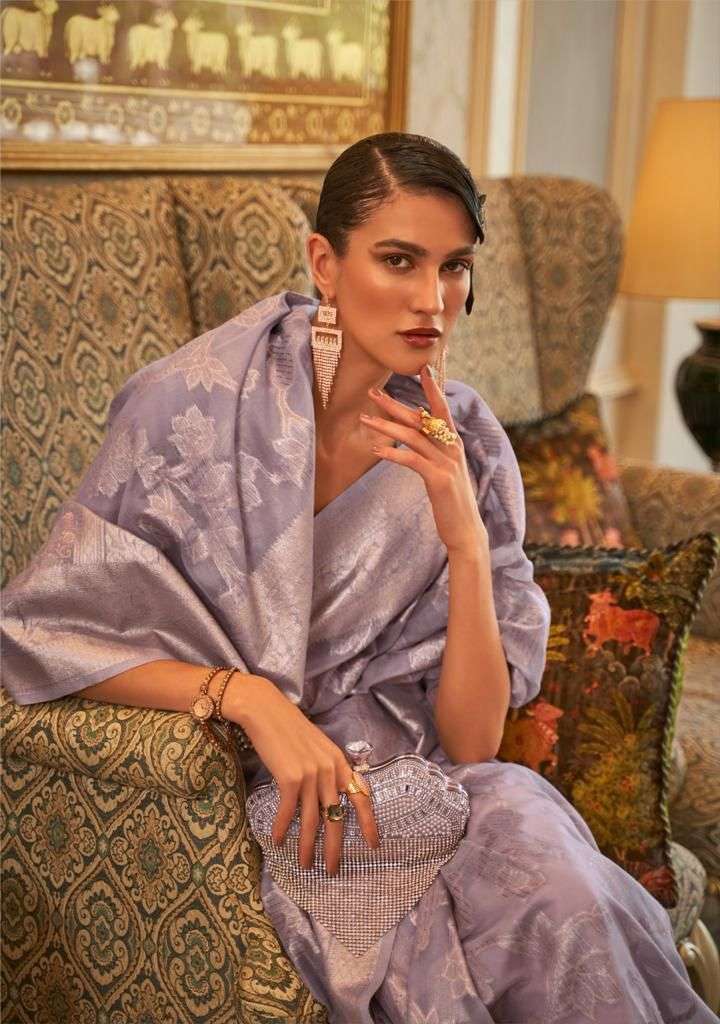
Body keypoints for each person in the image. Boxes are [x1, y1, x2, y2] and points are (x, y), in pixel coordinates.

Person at [1, 132, 713, 1024]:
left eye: (454, 267)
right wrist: (251, 700)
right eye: (398, 260)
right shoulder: (191, 406)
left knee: (562, 893)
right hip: (272, 805)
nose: (431, 300)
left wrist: (463, 536)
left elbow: (473, 741)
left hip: (431, 785)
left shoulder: (466, 440)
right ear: (324, 264)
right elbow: (42, 632)